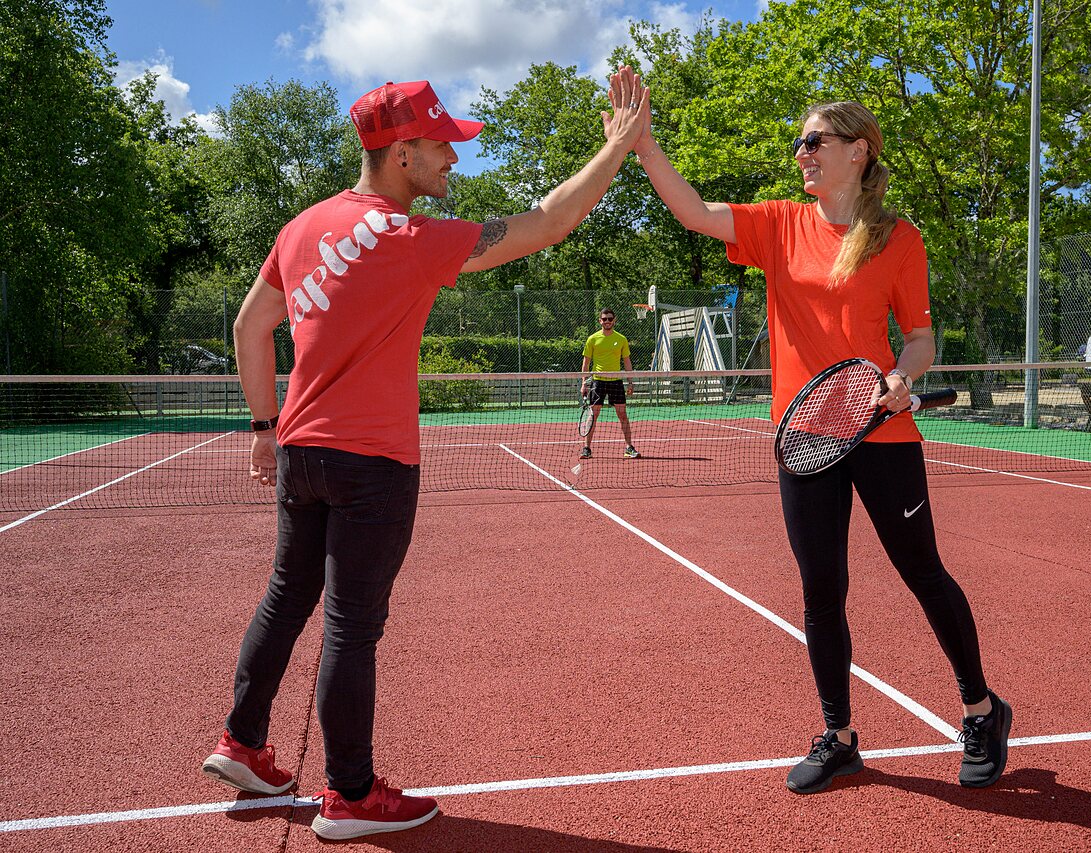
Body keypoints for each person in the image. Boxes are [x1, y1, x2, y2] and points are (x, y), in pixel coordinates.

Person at [200, 68, 649, 841]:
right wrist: (616, 148)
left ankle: (242, 742)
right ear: (402, 151)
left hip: (302, 450)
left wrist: (263, 427)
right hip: (371, 459)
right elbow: (547, 223)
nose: (454, 160)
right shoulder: (409, 237)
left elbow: (249, 326)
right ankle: (348, 795)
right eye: (443, 146)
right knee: (351, 622)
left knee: (287, 596)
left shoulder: (302, 228)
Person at [631, 99, 1010, 794]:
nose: (801, 151)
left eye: (815, 140)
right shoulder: (777, 223)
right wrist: (644, 146)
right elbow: (693, 211)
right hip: (805, 437)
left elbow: (920, 337)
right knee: (820, 589)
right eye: (798, 140)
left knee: (923, 572)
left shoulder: (900, 238)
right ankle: (838, 736)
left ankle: (982, 710)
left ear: (859, 150)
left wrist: (902, 375)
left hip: (882, 432)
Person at [579, 308, 640, 459]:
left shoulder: (621, 339)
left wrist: (630, 382)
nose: (607, 321)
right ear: (600, 321)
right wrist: (584, 383)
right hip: (598, 382)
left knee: (622, 415)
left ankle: (629, 448)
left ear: (614, 320)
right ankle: (587, 448)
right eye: (604, 319)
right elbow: (586, 364)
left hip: (616, 382)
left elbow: (627, 362)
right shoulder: (592, 339)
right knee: (593, 415)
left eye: (610, 319)